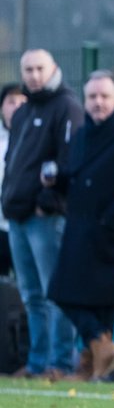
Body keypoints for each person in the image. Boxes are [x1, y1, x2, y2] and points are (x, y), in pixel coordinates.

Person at [47, 71, 114, 380]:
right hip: (80, 224)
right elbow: (76, 174)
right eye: (92, 97)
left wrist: (111, 219)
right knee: (67, 292)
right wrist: (57, 180)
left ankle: (97, 357)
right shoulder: (82, 134)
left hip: (109, 229)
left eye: (104, 96)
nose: (97, 103)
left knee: (93, 297)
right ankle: (96, 354)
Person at [1, 49, 83, 378]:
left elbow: (70, 161)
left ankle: (61, 362)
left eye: (40, 69)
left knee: (55, 293)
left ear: (54, 70)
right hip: (17, 217)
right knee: (31, 295)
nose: (34, 75)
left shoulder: (67, 107)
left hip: (45, 219)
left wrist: (48, 200)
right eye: (28, 69)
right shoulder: (23, 113)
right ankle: (37, 362)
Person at [0, 83, 28, 277]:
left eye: (22, 101)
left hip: (25, 223)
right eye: (11, 101)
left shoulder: (36, 137)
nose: (17, 106)